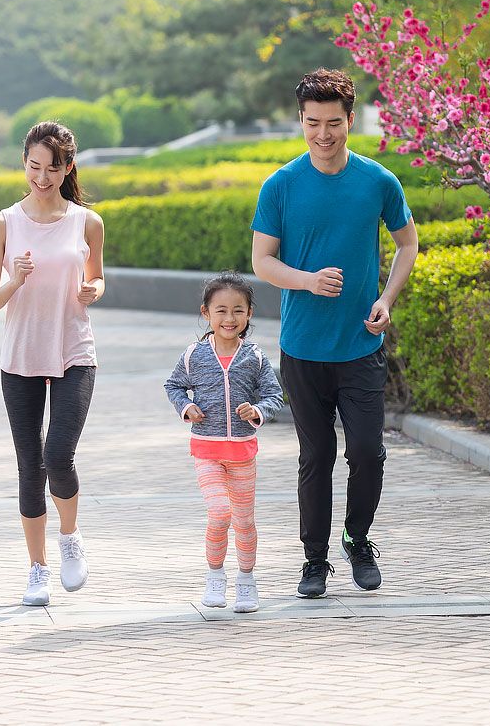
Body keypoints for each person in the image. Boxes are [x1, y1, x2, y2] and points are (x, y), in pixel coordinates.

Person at [251, 68, 419, 598]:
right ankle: (314, 561)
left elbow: (408, 245)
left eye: (333, 123)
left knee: (368, 452)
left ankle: (357, 538)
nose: (322, 134)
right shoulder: (280, 185)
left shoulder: (378, 182)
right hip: (302, 347)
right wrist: (307, 281)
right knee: (315, 456)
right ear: (300, 121)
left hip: (361, 343)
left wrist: (385, 300)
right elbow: (261, 261)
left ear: (351, 120)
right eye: (312, 123)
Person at [0, 120, 105, 607]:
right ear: (24, 164)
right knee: (30, 466)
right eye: (34, 166)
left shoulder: (87, 222)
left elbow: (97, 280)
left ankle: (70, 536)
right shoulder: (3, 223)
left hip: (74, 349)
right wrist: (17, 280)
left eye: (53, 168)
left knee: (59, 457)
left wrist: (95, 289)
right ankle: (37, 569)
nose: (42, 176)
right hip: (21, 357)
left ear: (68, 167)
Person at [164, 273, 284, 613]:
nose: (229, 319)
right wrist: (187, 407)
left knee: (244, 521)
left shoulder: (255, 357)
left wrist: (257, 411)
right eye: (221, 311)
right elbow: (173, 386)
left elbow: (275, 395)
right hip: (207, 450)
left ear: (248, 314)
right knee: (220, 512)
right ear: (206, 313)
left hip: (243, 452)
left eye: (237, 311)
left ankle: (246, 581)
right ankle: (215, 576)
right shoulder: (194, 355)